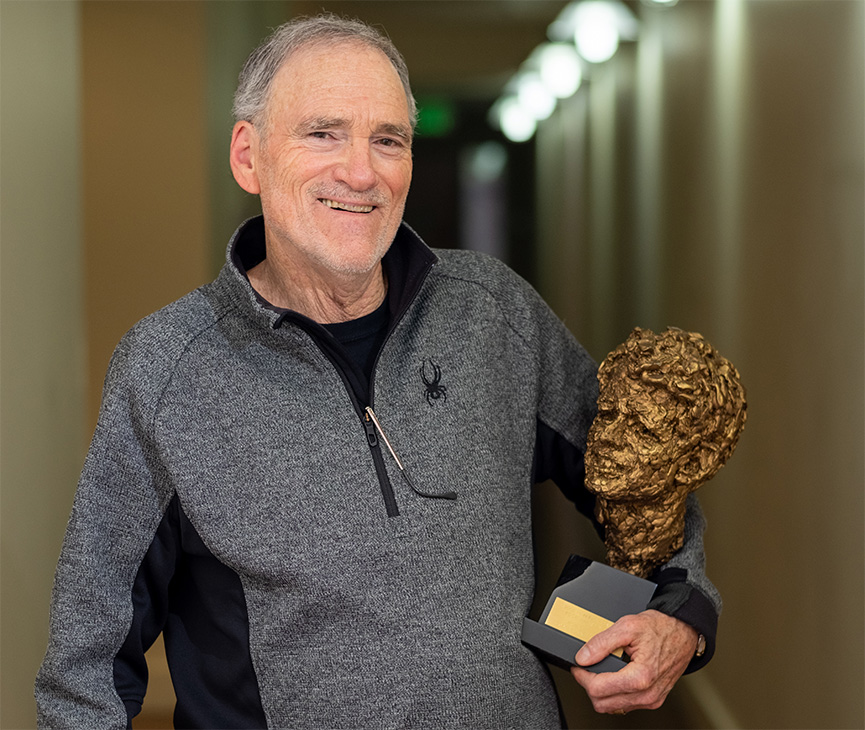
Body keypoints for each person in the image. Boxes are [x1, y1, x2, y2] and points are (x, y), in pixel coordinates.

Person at [35, 15, 721, 728]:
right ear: (249, 157)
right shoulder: (164, 370)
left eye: (387, 139)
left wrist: (682, 609)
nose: (361, 172)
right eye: (322, 133)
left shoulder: (494, 315)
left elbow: (645, 477)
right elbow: (87, 662)